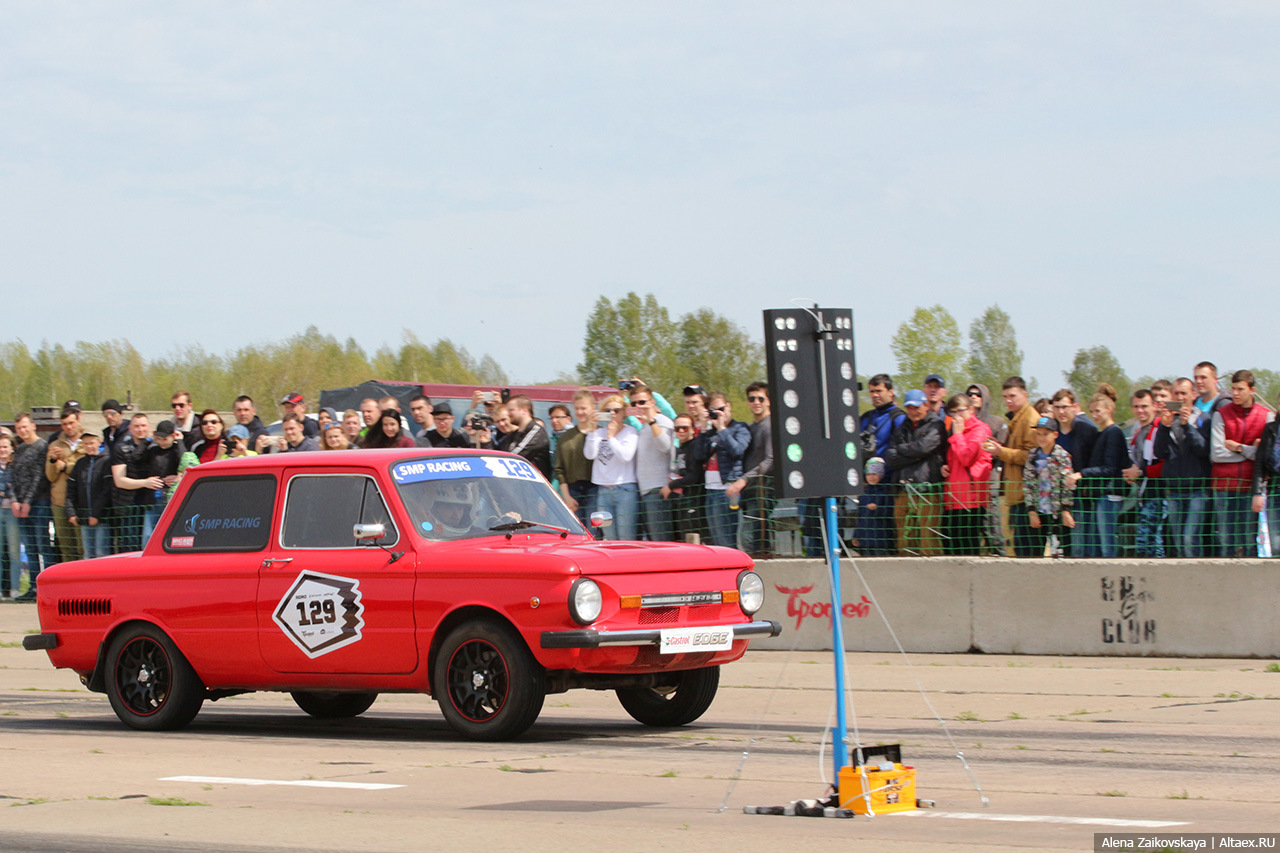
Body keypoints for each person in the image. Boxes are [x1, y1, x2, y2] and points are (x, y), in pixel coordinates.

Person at [1210, 369, 1273, 557]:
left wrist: (1238, 447)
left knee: (1249, 540)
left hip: (1250, 486)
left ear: (1252, 390)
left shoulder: (1266, 416)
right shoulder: (1220, 415)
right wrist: (1252, 451)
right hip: (1223, 485)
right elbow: (1217, 454)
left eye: (1240, 389)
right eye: (1233, 389)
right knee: (1225, 540)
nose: (1235, 393)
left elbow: (1266, 456)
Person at [884, 389, 947, 557]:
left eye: (916, 407)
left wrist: (902, 450)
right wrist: (917, 456)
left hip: (927, 490)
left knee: (929, 540)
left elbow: (924, 447)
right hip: (903, 490)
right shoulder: (902, 427)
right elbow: (890, 458)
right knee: (904, 541)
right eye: (909, 407)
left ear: (926, 405)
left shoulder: (937, 425)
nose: (912, 411)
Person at [982, 377, 1040, 557]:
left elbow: (1032, 456)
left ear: (1025, 395)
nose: (1008, 400)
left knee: (1028, 550)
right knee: (1018, 549)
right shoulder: (1016, 418)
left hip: (1027, 496)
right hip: (1016, 494)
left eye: (1013, 396)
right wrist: (1000, 445)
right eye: (1005, 396)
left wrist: (1002, 452)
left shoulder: (1030, 419)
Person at [1155, 377, 1212, 557]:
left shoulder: (1203, 418)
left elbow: (1203, 450)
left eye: (1184, 393)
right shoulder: (1168, 419)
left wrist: (1188, 427)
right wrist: (1164, 426)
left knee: (1190, 538)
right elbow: (1159, 452)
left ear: (1193, 395)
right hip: (1174, 489)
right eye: (1176, 393)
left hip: (1197, 488)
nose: (1180, 397)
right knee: (1178, 540)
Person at [1068, 394, 1129, 557]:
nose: (1094, 415)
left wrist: (1082, 473)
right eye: (1091, 411)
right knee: (1097, 544)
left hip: (1110, 494)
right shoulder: (1103, 433)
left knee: (1107, 544)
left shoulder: (1114, 432)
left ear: (1110, 409)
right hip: (1101, 495)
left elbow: (1110, 468)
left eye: (1098, 411)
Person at [692, 392, 750, 549]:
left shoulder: (740, 428)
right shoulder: (711, 433)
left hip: (727, 490)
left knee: (727, 542)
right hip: (710, 490)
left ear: (729, 406)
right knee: (717, 542)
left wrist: (722, 428)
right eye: (713, 410)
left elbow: (737, 450)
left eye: (721, 409)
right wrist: (704, 429)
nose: (718, 413)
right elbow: (698, 456)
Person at [942, 393, 992, 555]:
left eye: (960, 411)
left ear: (971, 409)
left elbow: (966, 458)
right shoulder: (957, 430)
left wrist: (957, 435)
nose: (956, 416)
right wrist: (945, 468)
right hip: (953, 497)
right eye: (952, 413)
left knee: (968, 546)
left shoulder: (980, 430)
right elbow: (956, 460)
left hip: (971, 499)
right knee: (950, 543)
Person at [583, 394, 639, 541]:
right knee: (610, 537)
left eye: (617, 410)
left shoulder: (630, 431)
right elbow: (589, 454)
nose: (612, 413)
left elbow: (626, 456)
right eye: (608, 410)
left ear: (624, 412)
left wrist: (612, 437)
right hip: (603, 490)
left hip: (625, 489)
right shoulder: (599, 432)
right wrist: (591, 431)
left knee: (626, 536)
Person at [726, 382, 773, 556]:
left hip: (764, 488)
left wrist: (743, 479)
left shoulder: (770, 426)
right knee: (751, 539)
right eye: (752, 398)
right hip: (747, 491)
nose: (756, 402)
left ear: (769, 401)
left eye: (761, 398)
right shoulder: (750, 428)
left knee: (751, 537)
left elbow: (771, 460)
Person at [1049, 389, 1097, 556]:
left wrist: (1082, 477)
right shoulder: (1051, 432)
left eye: (1065, 407)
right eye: (1057, 407)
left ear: (1074, 407)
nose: (1061, 411)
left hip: (1082, 496)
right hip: (1056, 497)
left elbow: (1094, 462)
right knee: (1062, 545)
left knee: (1082, 545)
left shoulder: (1087, 430)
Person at [626, 385, 676, 542]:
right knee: (652, 540)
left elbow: (666, 447)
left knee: (661, 539)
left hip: (658, 489)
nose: (638, 407)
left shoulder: (662, 421)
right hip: (644, 490)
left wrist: (653, 422)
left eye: (642, 402)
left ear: (652, 401)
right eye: (634, 404)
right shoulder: (643, 426)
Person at [1023, 416, 1075, 556]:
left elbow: (1067, 484)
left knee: (1063, 550)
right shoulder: (1033, 455)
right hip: (1039, 509)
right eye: (1038, 434)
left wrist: (1065, 509)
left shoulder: (1062, 456)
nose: (1041, 438)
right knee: (1036, 551)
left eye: (1046, 434)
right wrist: (1031, 510)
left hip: (1057, 510)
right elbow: (1028, 483)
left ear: (1055, 435)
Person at [111, 413, 161, 554]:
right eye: (136, 426)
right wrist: (145, 483)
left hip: (152, 504)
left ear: (149, 427)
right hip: (129, 506)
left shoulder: (156, 446)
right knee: (129, 548)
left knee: (150, 547)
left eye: (143, 425)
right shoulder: (121, 448)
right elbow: (119, 481)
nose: (140, 429)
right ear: (130, 428)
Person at [1125, 390, 1166, 558]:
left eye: (1144, 406)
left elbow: (1164, 463)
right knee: (1145, 540)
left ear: (1154, 406)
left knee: (1152, 539)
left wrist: (1140, 472)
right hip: (1144, 492)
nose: (1140, 411)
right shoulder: (1139, 431)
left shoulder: (1159, 429)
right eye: (1136, 407)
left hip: (1158, 493)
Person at [45, 404, 86, 563]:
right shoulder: (55, 444)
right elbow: (50, 476)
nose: (68, 427)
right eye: (64, 424)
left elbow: (85, 470)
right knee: (66, 548)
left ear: (78, 421)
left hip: (80, 502)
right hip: (60, 501)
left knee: (82, 547)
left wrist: (66, 466)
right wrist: (53, 460)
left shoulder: (88, 441)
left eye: (71, 423)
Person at [553, 390, 597, 528]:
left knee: (595, 531)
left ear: (592, 408)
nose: (580, 412)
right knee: (578, 530)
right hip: (573, 491)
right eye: (577, 408)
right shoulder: (565, 438)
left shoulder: (600, 433)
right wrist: (566, 497)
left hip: (595, 489)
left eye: (584, 408)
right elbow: (560, 470)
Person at [65, 432, 113, 559]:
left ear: (99, 442)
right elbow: (71, 489)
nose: (89, 446)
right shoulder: (80, 464)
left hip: (102, 517)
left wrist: (96, 514)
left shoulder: (106, 461)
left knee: (101, 553)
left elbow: (106, 491)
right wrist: (71, 512)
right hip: (84, 516)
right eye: (85, 444)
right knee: (88, 554)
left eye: (91, 443)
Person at [663, 413, 706, 544]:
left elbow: (694, 475)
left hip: (695, 499)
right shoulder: (680, 448)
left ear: (693, 428)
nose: (681, 431)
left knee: (693, 538)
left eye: (685, 428)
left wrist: (670, 486)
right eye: (677, 428)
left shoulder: (695, 446)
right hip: (681, 499)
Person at [141, 420, 184, 546]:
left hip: (170, 500)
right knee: (148, 537)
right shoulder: (153, 450)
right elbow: (135, 457)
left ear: (173, 436)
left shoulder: (177, 450)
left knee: (169, 537)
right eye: (158, 439)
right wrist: (147, 440)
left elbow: (185, 459)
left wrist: (180, 441)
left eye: (164, 439)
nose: (161, 442)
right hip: (153, 500)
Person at [852, 457, 895, 556]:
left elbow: (891, 512)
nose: (871, 477)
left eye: (874, 474)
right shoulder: (864, 493)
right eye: (868, 474)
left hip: (881, 539)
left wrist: (878, 509)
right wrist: (857, 535)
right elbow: (860, 517)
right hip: (865, 539)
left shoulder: (886, 492)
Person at [503, 396, 553, 480]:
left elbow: (515, 456)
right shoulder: (515, 434)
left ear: (524, 410)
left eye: (511, 410)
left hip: (535, 487)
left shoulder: (536, 432)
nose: (508, 414)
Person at [860, 374, 906, 460]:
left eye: (879, 391)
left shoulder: (899, 418)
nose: (875, 395)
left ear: (890, 392)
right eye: (872, 391)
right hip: (865, 471)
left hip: (889, 471)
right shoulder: (866, 417)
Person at [0, 434, 23, 597]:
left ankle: (15, 588)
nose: (3, 450)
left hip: (12, 513)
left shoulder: (16, 466)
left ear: (12, 448)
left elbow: (16, 487)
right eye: (0, 447)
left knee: (14, 552)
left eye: (5, 446)